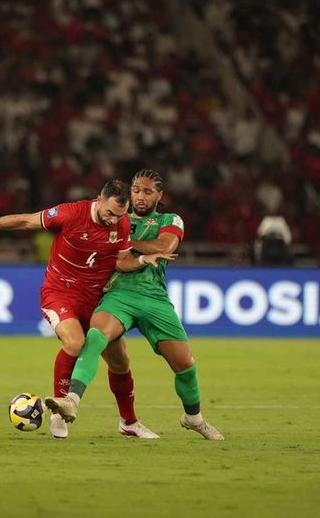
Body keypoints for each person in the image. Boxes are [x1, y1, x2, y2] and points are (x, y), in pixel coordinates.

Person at [0, 180, 175, 439]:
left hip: (97, 298)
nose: (113, 220)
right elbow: (27, 221)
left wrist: (142, 259)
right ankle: (59, 413)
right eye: (110, 213)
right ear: (99, 199)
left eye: (120, 215)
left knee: (120, 363)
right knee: (75, 343)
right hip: (61, 293)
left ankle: (129, 422)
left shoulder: (122, 223)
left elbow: (121, 262)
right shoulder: (70, 213)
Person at [45, 170, 224, 440]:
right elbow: (106, 248)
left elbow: (165, 244)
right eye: (136, 190)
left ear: (159, 195)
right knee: (95, 338)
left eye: (148, 191)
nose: (140, 196)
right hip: (118, 294)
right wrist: (118, 241)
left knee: (185, 365)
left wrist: (122, 241)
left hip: (154, 298)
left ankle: (193, 418)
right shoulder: (117, 217)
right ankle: (71, 400)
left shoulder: (168, 219)